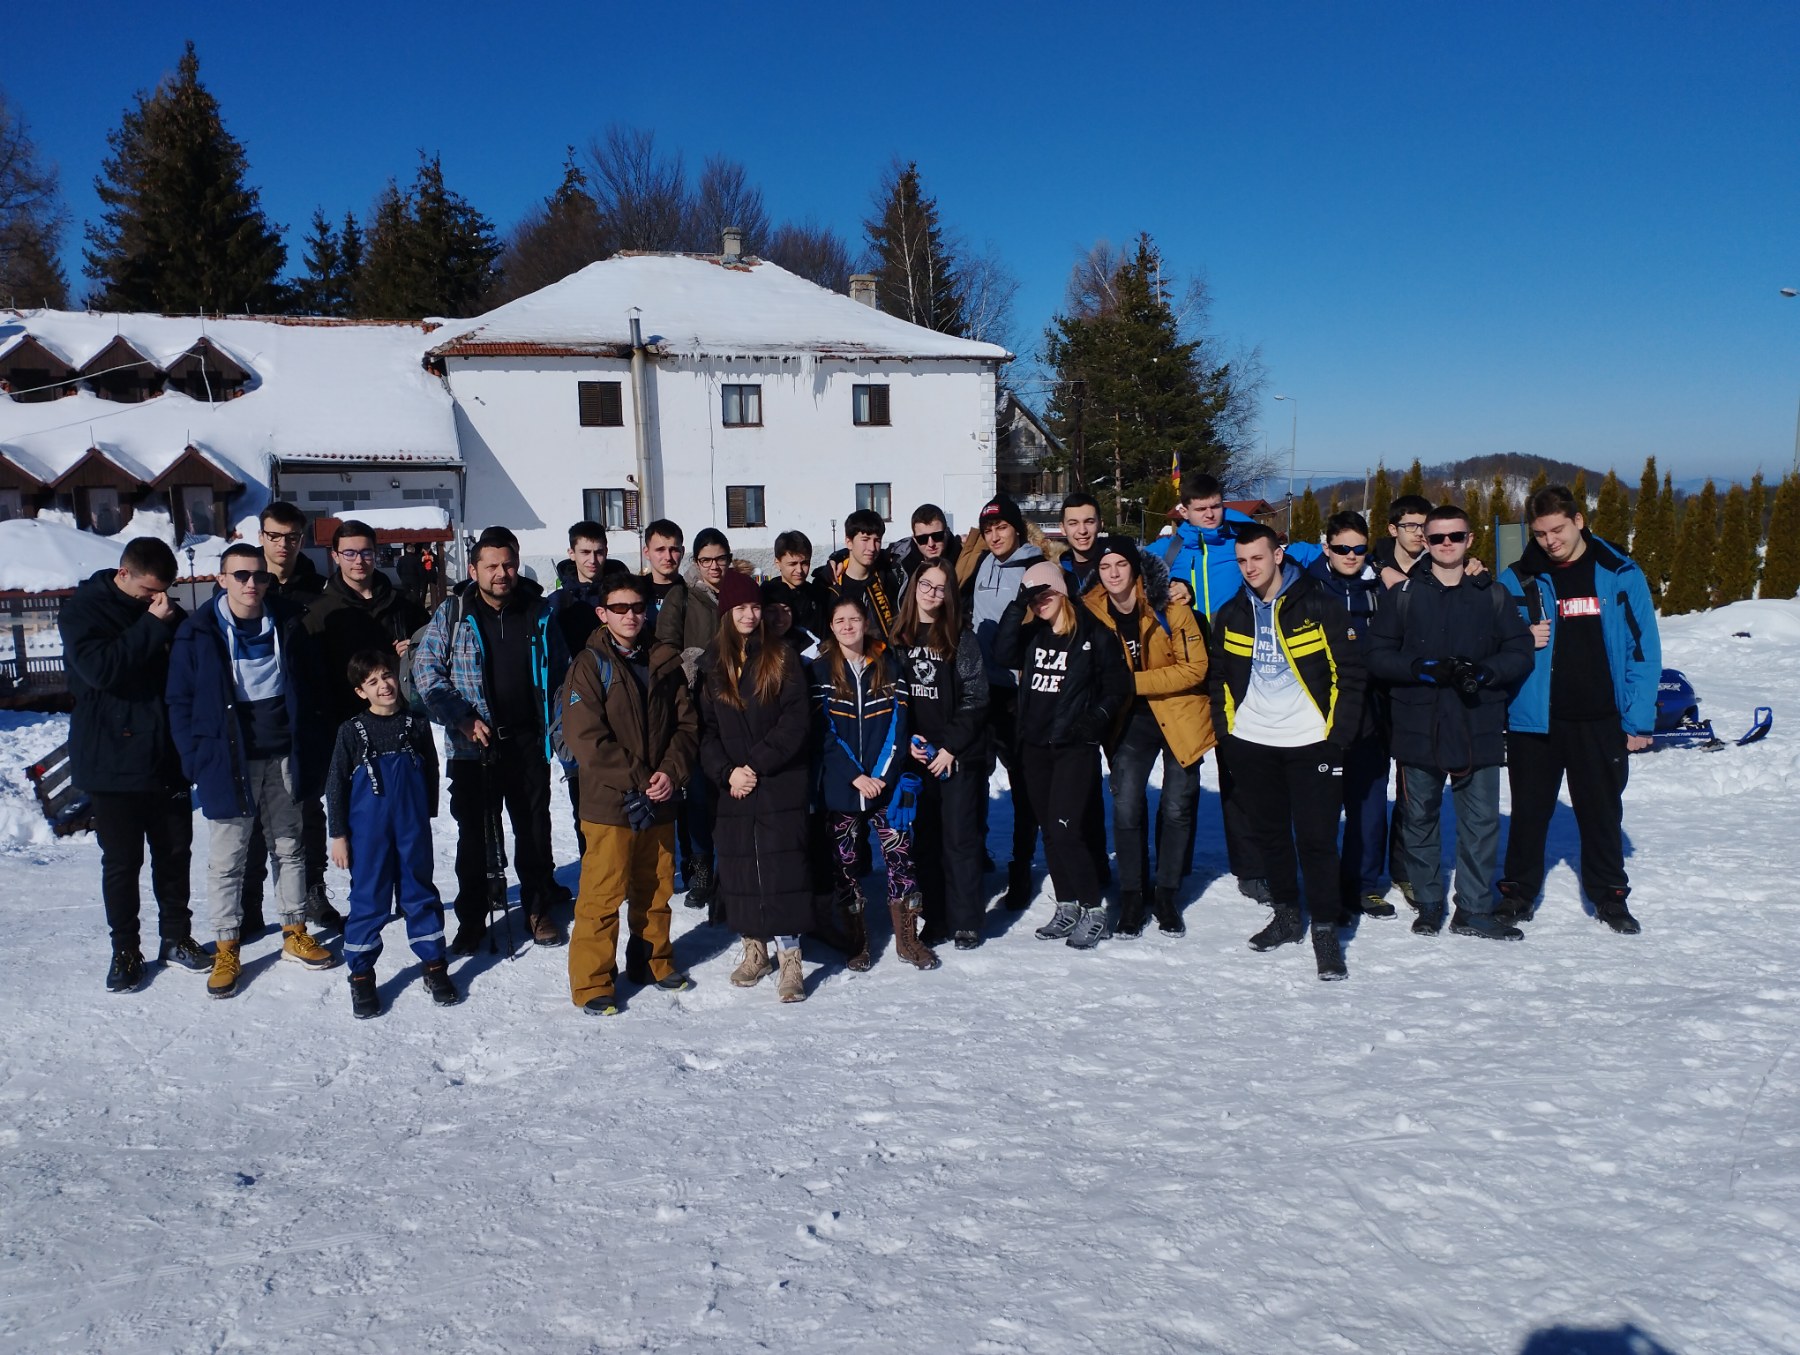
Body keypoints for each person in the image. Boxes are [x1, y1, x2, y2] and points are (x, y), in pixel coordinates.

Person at [167, 542, 336, 998]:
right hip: (228, 760)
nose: (251, 584)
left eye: (259, 576)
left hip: (285, 754)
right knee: (228, 860)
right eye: (240, 575)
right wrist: (196, 760)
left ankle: (294, 931)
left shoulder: (288, 622)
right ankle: (226, 947)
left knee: (290, 846)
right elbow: (179, 703)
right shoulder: (198, 632)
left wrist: (314, 742)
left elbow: (312, 687)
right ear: (220, 579)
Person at [1366, 505, 1535, 940]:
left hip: (1475, 720)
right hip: (1417, 722)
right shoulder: (1402, 595)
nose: (1446, 545)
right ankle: (1429, 902)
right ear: (1424, 540)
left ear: (1469, 539)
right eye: (1437, 537)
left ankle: (1474, 909)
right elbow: (1378, 655)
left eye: (1454, 537)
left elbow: (1519, 651)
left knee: (1480, 823)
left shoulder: (1490, 595)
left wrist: (1484, 673)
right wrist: (1421, 668)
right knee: (1419, 818)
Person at [1498, 485, 1660, 935]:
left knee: (1602, 812)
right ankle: (1517, 894)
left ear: (1579, 521)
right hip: (1535, 721)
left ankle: (1610, 896)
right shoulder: (1517, 578)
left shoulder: (1619, 572)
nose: (1550, 540)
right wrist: (1520, 638)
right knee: (1529, 813)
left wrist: (1639, 718)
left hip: (1600, 719)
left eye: (1558, 529)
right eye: (1540, 533)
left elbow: (1644, 649)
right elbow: (1495, 643)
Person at [1207, 524, 1364, 981]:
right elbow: (1218, 677)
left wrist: (1338, 735)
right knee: (1271, 836)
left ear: (1279, 555)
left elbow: (1350, 673)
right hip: (1253, 741)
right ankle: (1288, 915)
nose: (1250, 568)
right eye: (1242, 561)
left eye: (1257, 557)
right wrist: (1228, 733)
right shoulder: (1232, 611)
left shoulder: (1318, 602)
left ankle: (1326, 930)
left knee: (1316, 840)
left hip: (1311, 740)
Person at [412, 526, 571, 953]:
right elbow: (426, 672)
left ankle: (538, 910)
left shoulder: (539, 612)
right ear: (474, 569)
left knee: (534, 832)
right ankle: (472, 919)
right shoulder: (453, 612)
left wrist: (560, 731)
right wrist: (460, 718)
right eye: (492, 566)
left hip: (526, 743)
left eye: (508, 564)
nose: (501, 573)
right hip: (472, 747)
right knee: (475, 838)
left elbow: (560, 676)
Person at [60, 537, 208, 992]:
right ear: (123, 574)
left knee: (175, 854)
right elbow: (101, 671)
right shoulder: (83, 610)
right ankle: (125, 949)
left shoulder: (163, 612)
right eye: (148, 591)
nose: (156, 600)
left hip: (165, 756)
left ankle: (176, 937)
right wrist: (151, 624)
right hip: (112, 759)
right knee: (122, 863)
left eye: (163, 592)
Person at [560, 574, 699, 1015]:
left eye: (637, 607)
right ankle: (593, 982)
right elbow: (587, 740)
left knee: (655, 887)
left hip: (659, 796)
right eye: (619, 608)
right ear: (603, 614)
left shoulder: (664, 659)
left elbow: (687, 726)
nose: (630, 616)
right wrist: (641, 777)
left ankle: (652, 960)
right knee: (602, 894)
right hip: (610, 802)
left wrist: (669, 773)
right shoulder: (588, 663)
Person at [993, 561, 1132, 951]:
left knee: (1068, 827)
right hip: (1035, 745)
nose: (1040, 603)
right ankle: (1068, 904)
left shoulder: (1093, 634)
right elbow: (1003, 653)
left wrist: (1095, 721)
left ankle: (1094, 908)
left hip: (1074, 746)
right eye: (1033, 598)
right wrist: (1017, 605)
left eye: (1046, 594)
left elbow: (1117, 685)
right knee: (1050, 830)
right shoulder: (1033, 633)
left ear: (1063, 593)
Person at [1083, 537, 1212, 937]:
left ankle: (1168, 894)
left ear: (1135, 569)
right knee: (1126, 807)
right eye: (1106, 568)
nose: (1114, 574)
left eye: (1122, 565)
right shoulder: (1091, 611)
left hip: (1179, 711)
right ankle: (1133, 895)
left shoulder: (1171, 608)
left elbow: (1195, 669)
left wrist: (1132, 681)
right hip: (1129, 719)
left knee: (1176, 806)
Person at [302, 520, 431, 914]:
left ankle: (409, 897)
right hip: (346, 729)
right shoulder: (321, 611)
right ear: (335, 556)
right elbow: (313, 674)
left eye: (367, 552)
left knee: (404, 822)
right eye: (350, 553)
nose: (360, 561)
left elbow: (428, 649)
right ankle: (366, 899)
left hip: (397, 727)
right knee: (361, 821)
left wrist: (413, 647)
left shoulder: (399, 604)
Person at [701, 571, 816, 1003]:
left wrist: (754, 764)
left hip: (778, 781)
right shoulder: (713, 665)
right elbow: (705, 732)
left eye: (754, 607)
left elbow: (796, 721)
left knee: (782, 868)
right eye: (740, 608)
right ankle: (755, 950)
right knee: (741, 867)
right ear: (726, 614)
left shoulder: (782, 657)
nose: (749, 615)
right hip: (734, 785)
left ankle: (790, 957)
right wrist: (727, 772)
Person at [325, 649, 459, 1017]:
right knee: (369, 898)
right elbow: (336, 784)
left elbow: (429, 767)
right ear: (360, 692)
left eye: (386, 675)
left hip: (411, 826)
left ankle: (434, 966)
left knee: (419, 893)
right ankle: (362, 976)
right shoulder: (351, 731)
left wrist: (426, 812)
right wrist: (338, 834)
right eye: (372, 682)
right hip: (368, 832)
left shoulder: (414, 723)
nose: (384, 685)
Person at [814, 595, 938, 970]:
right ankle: (857, 940)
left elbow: (900, 726)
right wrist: (855, 776)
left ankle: (907, 939)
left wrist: (881, 776)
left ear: (865, 622)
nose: (849, 626)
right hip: (843, 788)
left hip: (887, 787)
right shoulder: (819, 672)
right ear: (832, 627)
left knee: (901, 858)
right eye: (841, 621)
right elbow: (823, 732)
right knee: (845, 865)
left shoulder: (888, 664)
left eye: (855, 619)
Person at [1306, 511, 1401, 920]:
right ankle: (1324, 885)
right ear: (1327, 547)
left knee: (1369, 800)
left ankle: (1363, 885)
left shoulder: (1380, 587)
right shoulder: (1306, 585)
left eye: (1359, 548)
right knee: (1321, 803)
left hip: (1370, 707)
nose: (1351, 555)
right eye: (1343, 548)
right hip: (1319, 710)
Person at [892, 560, 990, 950]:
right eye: (926, 585)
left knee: (960, 839)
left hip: (955, 756)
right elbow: (895, 697)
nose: (932, 594)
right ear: (914, 587)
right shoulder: (899, 638)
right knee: (926, 840)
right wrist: (908, 739)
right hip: (917, 757)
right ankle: (935, 917)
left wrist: (950, 746)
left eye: (940, 588)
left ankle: (965, 920)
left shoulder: (959, 638)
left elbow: (976, 697)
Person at [960, 493, 1045, 906]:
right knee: (973, 777)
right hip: (980, 691)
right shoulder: (982, 562)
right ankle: (976, 854)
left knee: (1023, 784)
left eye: (1002, 527)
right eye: (989, 529)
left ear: (1017, 528)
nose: (995, 535)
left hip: (1017, 694)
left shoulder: (1035, 567)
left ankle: (1021, 868)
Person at [656, 527, 728, 911]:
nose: (714, 566)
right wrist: (692, 660)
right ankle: (700, 870)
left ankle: (730, 870)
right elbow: (664, 648)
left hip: (735, 711)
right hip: (696, 709)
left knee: (731, 793)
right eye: (706, 559)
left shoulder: (737, 593)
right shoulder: (681, 596)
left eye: (720, 558)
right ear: (695, 562)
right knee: (698, 795)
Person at [551, 519, 631, 853]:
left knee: (624, 788)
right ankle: (592, 864)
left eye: (599, 552)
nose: (592, 560)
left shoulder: (621, 593)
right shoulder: (557, 604)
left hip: (619, 702)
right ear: (571, 553)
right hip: (575, 707)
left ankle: (624, 863)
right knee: (582, 795)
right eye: (585, 552)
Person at [814, 509, 903, 638]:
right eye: (865, 539)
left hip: (881, 655)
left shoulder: (887, 577)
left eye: (877, 540)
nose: (872, 548)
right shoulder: (828, 585)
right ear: (849, 542)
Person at [761, 530, 830, 649]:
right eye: (792, 564)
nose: (799, 570)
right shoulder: (766, 595)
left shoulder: (818, 595)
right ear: (778, 563)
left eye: (804, 563)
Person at [257, 501, 327, 604]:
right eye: (274, 536)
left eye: (292, 538)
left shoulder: (321, 590)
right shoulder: (244, 585)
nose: (283, 544)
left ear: (302, 541)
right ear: (261, 537)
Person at [891, 503, 961, 596]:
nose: (931, 544)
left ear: (946, 532)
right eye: (922, 539)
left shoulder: (964, 558)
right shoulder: (900, 562)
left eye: (937, 536)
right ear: (915, 539)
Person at [639, 519, 687, 631]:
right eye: (660, 550)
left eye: (674, 550)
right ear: (646, 553)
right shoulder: (634, 590)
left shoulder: (692, 593)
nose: (668, 557)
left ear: (683, 552)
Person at [1056, 492, 1106, 597]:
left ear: (1100, 525)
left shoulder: (1118, 568)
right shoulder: (1056, 574)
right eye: (1073, 523)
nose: (1082, 531)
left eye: (1089, 522)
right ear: (1063, 528)